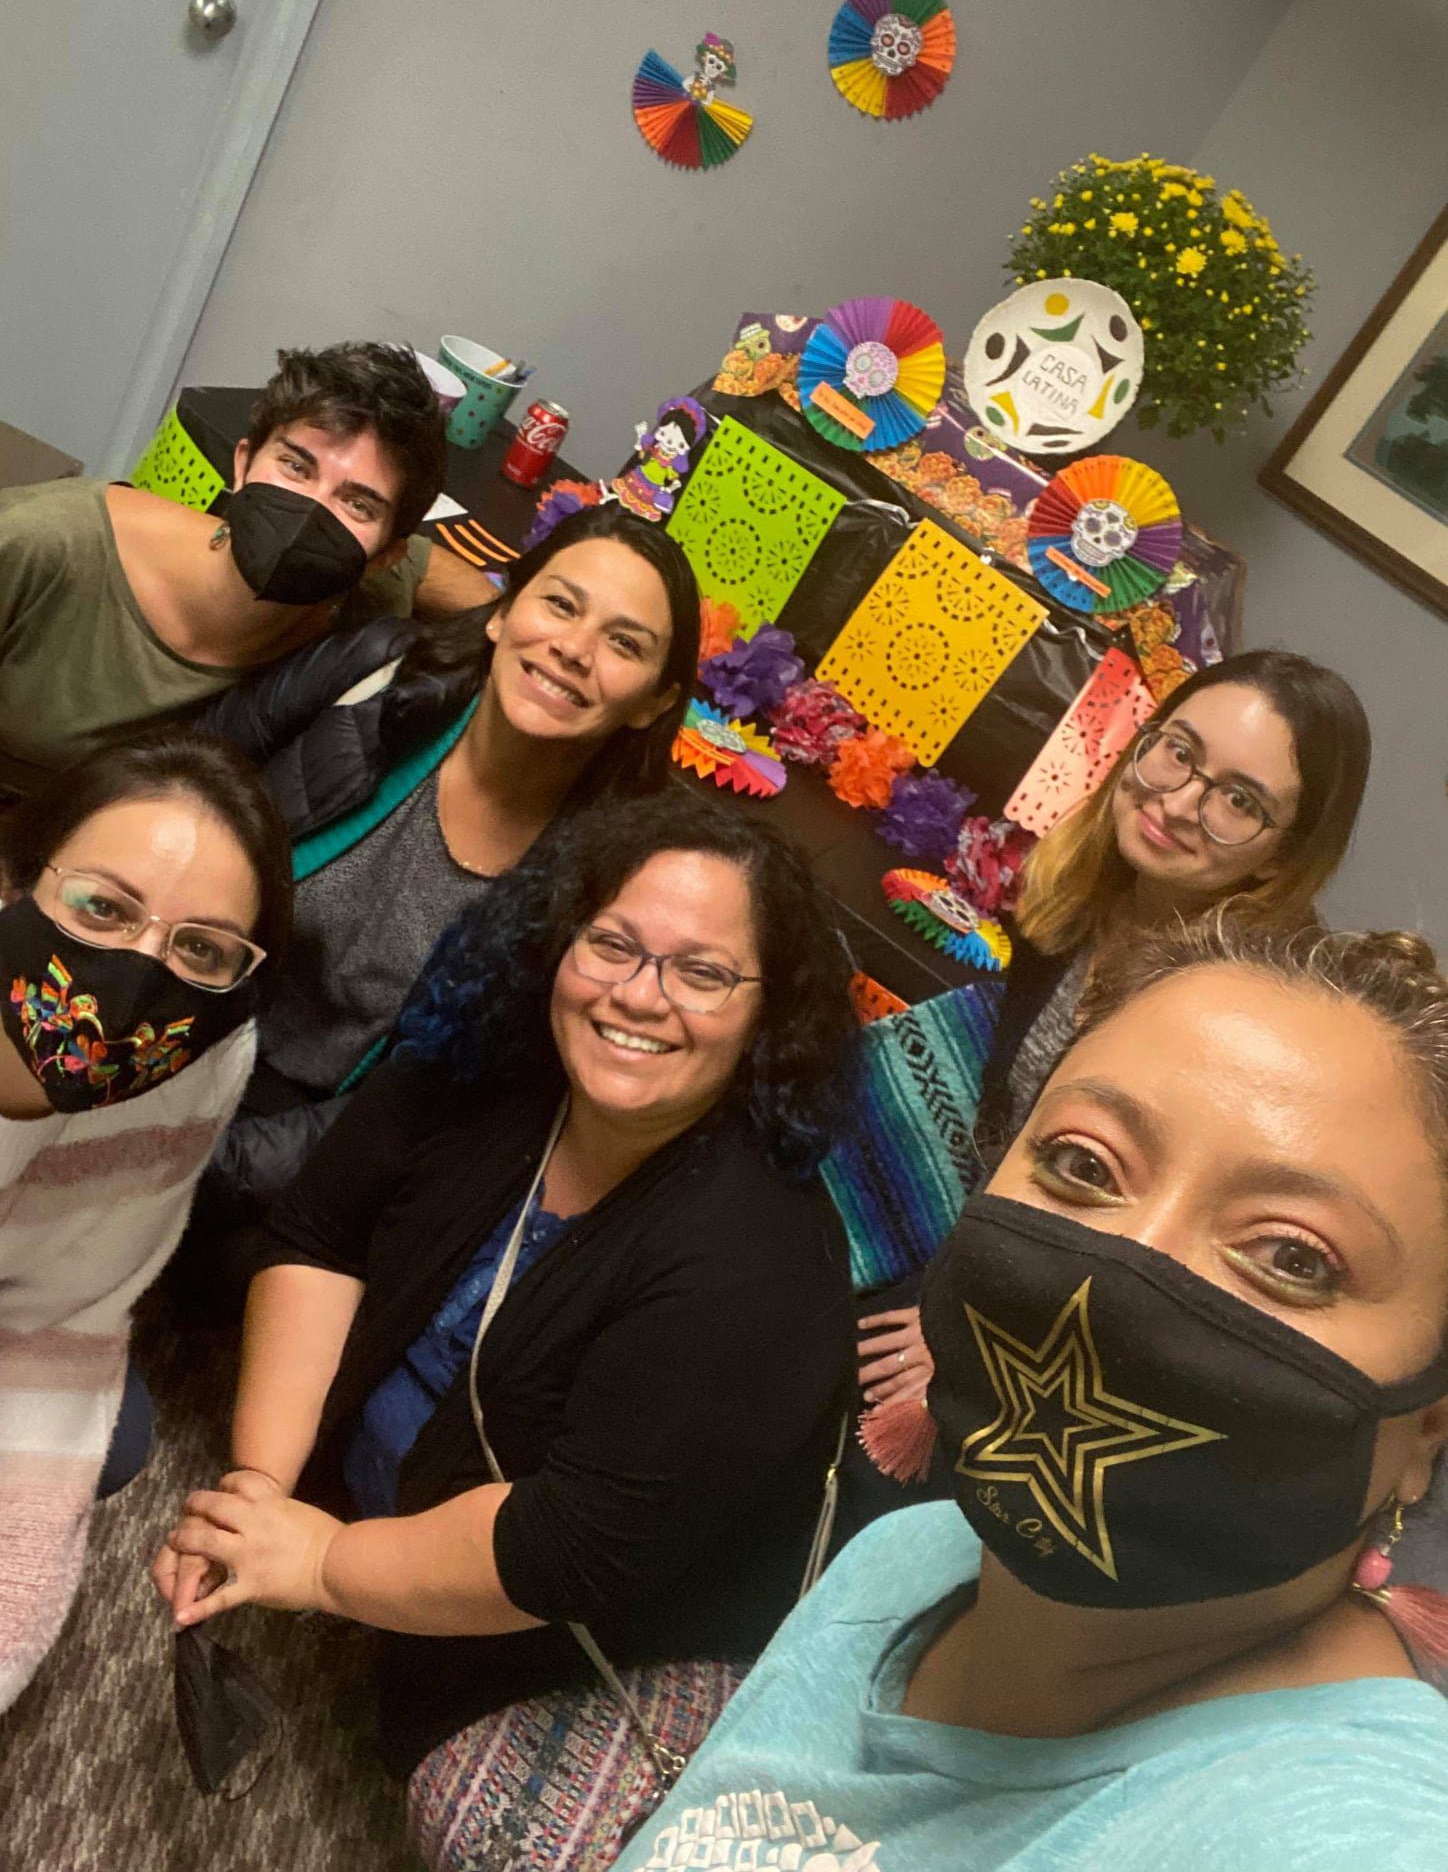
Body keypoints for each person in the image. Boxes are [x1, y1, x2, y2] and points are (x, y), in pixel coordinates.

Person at [616, 917, 1448, 1869]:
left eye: (1292, 1256)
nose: (1119, 1283)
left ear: (1428, 1426)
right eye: (1083, 1164)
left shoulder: (1350, 1837)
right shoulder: (904, 1561)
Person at [152, 792, 858, 1860]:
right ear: (558, 942)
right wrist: (261, 1488)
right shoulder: (478, 1062)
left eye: (702, 971)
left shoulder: (755, 1260)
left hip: (569, 1640)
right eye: (612, 943)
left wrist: (327, 1566)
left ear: (770, 1012)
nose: (638, 995)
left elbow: (567, 1549)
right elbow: (317, 1235)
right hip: (397, 1525)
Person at [186, 503, 702, 1282]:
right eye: (560, 604)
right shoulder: (376, 676)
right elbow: (182, 783)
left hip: (310, 1135)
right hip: (177, 999)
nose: (573, 650)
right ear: (503, 612)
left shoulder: (606, 890)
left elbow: (413, 1112)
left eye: (624, 644)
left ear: (656, 701)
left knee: (237, 1269)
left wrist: (195, 1167)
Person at [858, 648, 1372, 1424]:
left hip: (1064, 1350)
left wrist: (966, 1326)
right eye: (1179, 752)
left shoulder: (1248, 1025)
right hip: (974, 1253)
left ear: (1282, 861)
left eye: (1238, 800)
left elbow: (1157, 1265)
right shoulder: (1085, 896)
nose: (1177, 803)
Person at [0, 732, 290, 1712]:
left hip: (26, 1314)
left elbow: (80, 1289)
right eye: (103, 907)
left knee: (114, 1439)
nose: (138, 969)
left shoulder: (204, 1049)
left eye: (200, 947)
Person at [0, 340, 481, 796]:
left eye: (357, 503)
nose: (307, 511)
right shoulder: (40, 544)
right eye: (295, 467)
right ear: (244, 462)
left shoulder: (369, 603)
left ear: (383, 557)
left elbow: (429, 569)